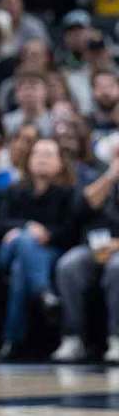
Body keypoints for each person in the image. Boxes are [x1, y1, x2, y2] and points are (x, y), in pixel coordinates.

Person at [0, 139, 76, 360]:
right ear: (28, 161)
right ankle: (44, 293)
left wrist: (48, 234)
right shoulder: (15, 190)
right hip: (9, 251)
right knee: (23, 241)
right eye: (37, 153)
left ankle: (12, 341)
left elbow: (71, 231)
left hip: (50, 253)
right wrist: (25, 229)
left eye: (48, 154)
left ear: (60, 163)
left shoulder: (67, 193)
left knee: (21, 269)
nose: (41, 158)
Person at [52, 151, 119, 364]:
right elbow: (81, 208)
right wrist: (111, 176)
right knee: (69, 265)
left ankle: (116, 339)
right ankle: (73, 338)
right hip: (94, 247)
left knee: (117, 268)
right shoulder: (97, 173)